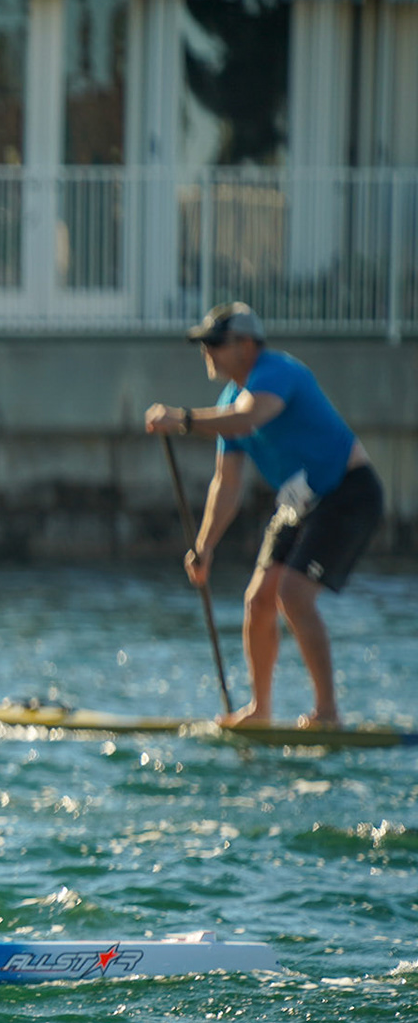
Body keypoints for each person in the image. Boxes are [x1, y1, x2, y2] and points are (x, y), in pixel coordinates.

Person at [145, 303, 384, 728]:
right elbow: (227, 484)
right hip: (302, 504)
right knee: (258, 600)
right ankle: (260, 710)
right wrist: (204, 547)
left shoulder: (278, 372)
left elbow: (249, 418)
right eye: (205, 344)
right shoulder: (229, 399)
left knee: (292, 593)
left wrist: (181, 420)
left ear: (248, 344)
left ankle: (327, 713)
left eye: (215, 343)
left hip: (349, 493)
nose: (208, 352)